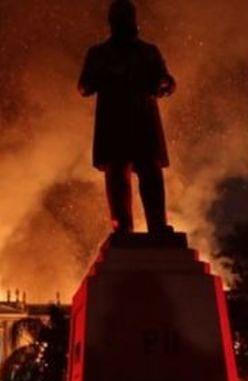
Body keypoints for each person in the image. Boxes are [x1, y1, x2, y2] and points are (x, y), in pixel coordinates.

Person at [79, 0, 176, 235]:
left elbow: (166, 79)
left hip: (143, 119)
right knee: (117, 175)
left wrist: (165, 83)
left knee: (150, 173)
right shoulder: (99, 53)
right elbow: (84, 86)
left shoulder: (148, 52)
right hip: (114, 122)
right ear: (112, 22)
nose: (126, 23)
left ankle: (157, 226)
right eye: (121, 18)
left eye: (128, 17)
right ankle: (122, 227)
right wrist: (108, 75)